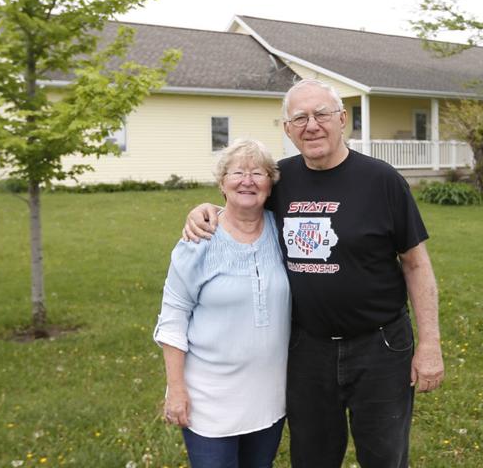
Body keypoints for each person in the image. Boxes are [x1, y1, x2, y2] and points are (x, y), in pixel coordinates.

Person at [183, 79, 443, 468]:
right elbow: (242, 201)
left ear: (342, 120)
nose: (312, 125)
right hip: (307, 350)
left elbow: (416, 263)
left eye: (321, 114)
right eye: (299, 118)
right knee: (311, 459)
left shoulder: (382, 181)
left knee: (385, 457)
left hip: (380, 347)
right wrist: (205, 211)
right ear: (287, 129)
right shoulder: (280, 181)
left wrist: (430, 345)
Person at [154, 139, 290, 468]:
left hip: (269, 399)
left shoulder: (283, 232)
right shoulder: (199, 239)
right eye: (237, 172)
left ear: (270, 185)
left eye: (258, 172)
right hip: (210, 400)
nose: (248, 180)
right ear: (222, 184)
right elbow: (173, 318)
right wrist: (176, 389)